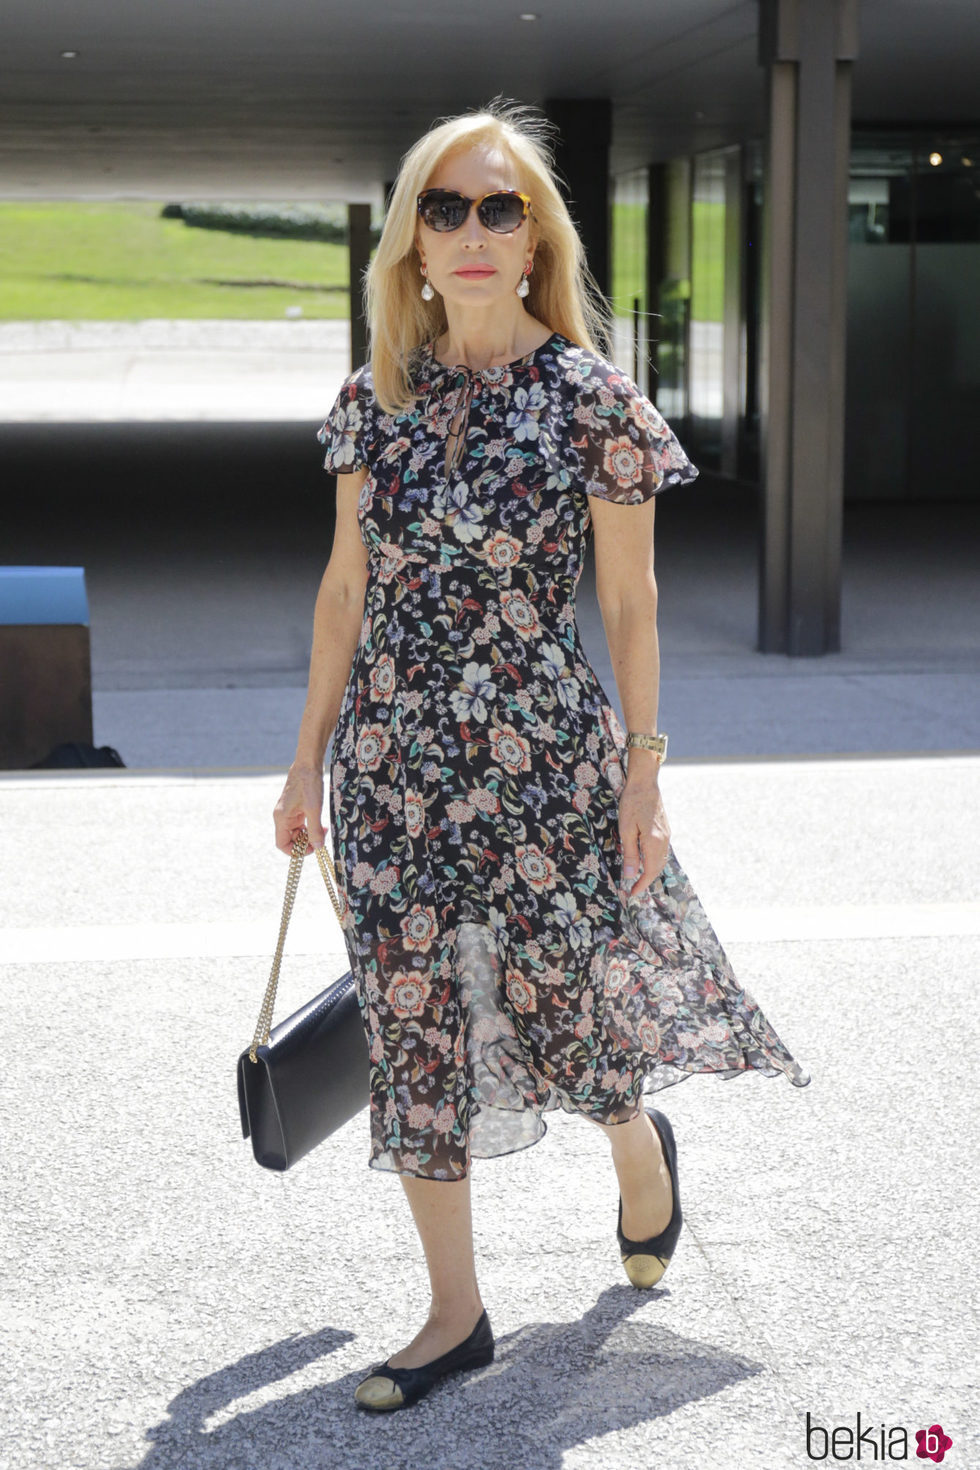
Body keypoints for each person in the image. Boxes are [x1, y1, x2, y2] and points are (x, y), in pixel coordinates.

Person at [273, 97, 811, 1414]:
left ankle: (642, 1155)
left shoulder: (592, 401)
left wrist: (645, 768)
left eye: (496, 206)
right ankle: (454, 1313)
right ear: (411, 240)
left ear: (534, 239)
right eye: (442, 207)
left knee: (567, 1003)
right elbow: (344, 591)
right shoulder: (371, 400)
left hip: (542, 753)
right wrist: (303, 767)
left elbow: (630, 604)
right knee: (412, 1020)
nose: (468, 230)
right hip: (392, 763)